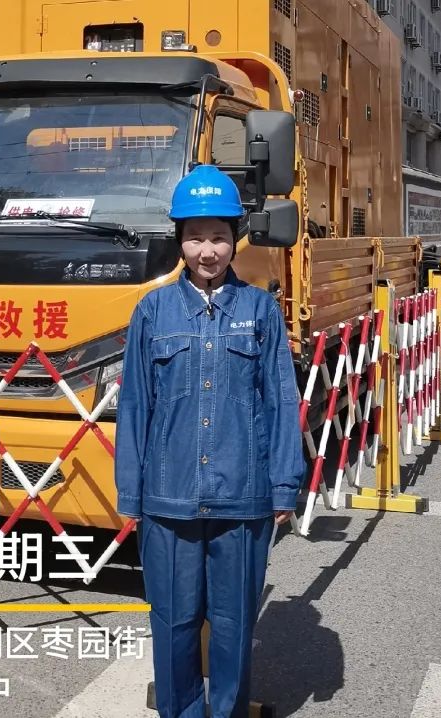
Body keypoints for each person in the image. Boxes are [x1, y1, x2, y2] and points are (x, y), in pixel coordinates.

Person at [114, 164, 306, 718]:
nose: (207, 251)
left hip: (242, 497)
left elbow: (281, 400)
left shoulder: (260, 310)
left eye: (218, 237)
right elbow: (136, 406)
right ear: (179, 239)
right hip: (168, 497)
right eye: (195, 236)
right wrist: (131, 491)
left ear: (235, 239)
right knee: (173, 623)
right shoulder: (153, 312)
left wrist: (283, 485)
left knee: (232, 623)